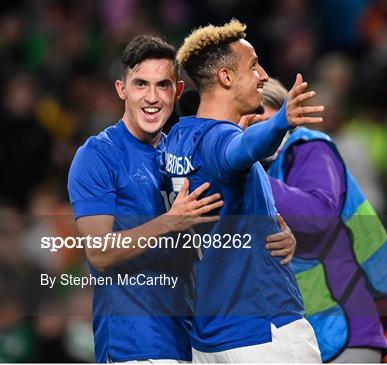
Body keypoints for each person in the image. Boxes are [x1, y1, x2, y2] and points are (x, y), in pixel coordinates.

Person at [67, 35, 295, 363]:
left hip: (197, 339)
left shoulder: (181, 149)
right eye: (140, 84)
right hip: (135, 344)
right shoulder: (98, 156)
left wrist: (274, 233)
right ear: (122, 90)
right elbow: (99, 253)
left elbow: (221, 218)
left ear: (176, 91)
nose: (152, 97)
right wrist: (170, 222)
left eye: (162, 86)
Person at [162, 19, 324, 362]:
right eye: (253, 65)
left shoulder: (177, 140)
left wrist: (268, 227)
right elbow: (241, 151)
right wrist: (281, 121)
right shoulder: (223, 143)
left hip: (208, 338)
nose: (263, 75)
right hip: (264, 334)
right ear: (226, 77)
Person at [248, 78, 387, 362]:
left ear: (282, 116)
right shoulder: (264, 167)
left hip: (346, 330)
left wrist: (254, 180)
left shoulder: (311, 148)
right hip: (305, 335)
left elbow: (319, 215)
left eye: (263, 119)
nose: (258, 131)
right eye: (249, 123)